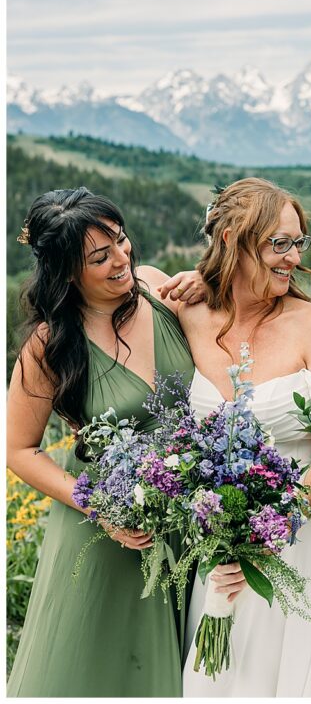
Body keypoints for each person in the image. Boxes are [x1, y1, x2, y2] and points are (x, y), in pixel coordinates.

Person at [177, 178, 311, 697]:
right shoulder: (189, 314)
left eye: (297, 242)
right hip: (218, 547)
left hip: (302, 544)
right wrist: (227, 539)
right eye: (277, 243)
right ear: (230, 244)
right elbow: (133, 283)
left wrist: (269, 528)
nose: (291, 257)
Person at [6, 187, 198, 696]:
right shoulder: (51, 345)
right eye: (100, 256)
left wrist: (210, 284)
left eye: (121, 239)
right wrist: (101, 509)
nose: (122, 259)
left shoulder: (159, 289)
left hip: (192, 518)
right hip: (109, 530)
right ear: (67, 270)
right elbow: (19, 450)